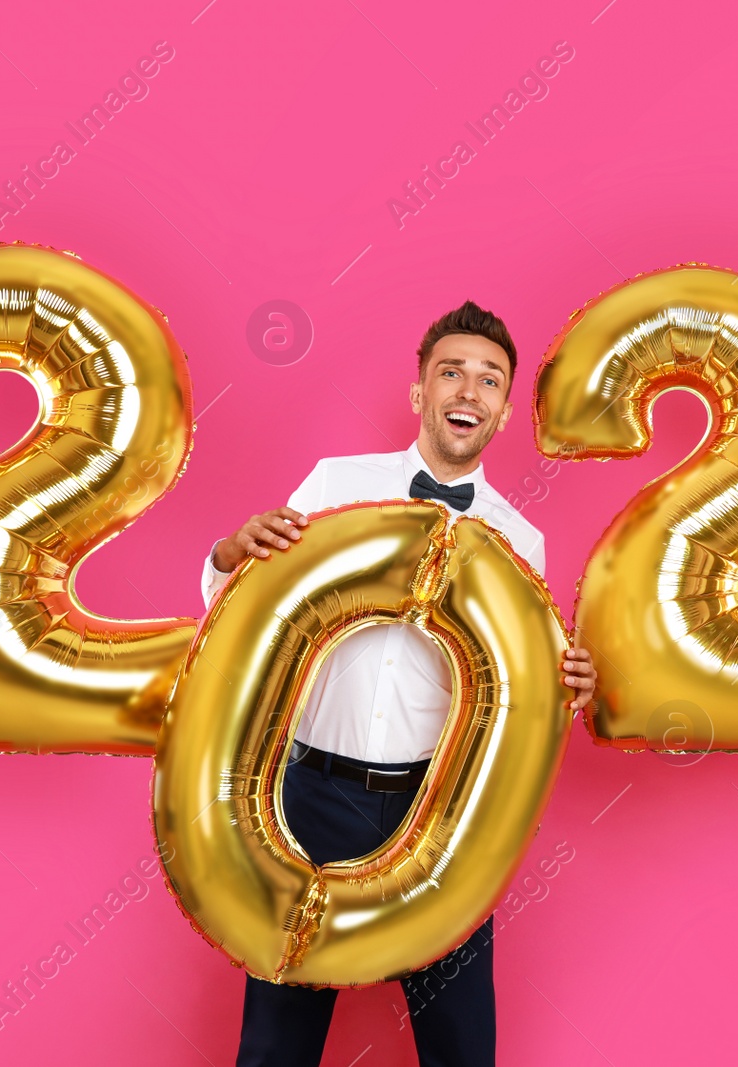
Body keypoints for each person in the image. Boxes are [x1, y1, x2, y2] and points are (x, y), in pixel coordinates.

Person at [200, 300, 597, 1067]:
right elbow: (239, 616)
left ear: (504, 412)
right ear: (420, 393)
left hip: (436, 813)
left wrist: (564, 680)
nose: (468, 392)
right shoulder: (335, 485)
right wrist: (228, 552)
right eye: (451, 373)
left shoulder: (523, 540)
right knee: (274, 1046)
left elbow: (509, 692)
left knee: (460, 1050)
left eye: (488, 381)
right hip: (307, 797)